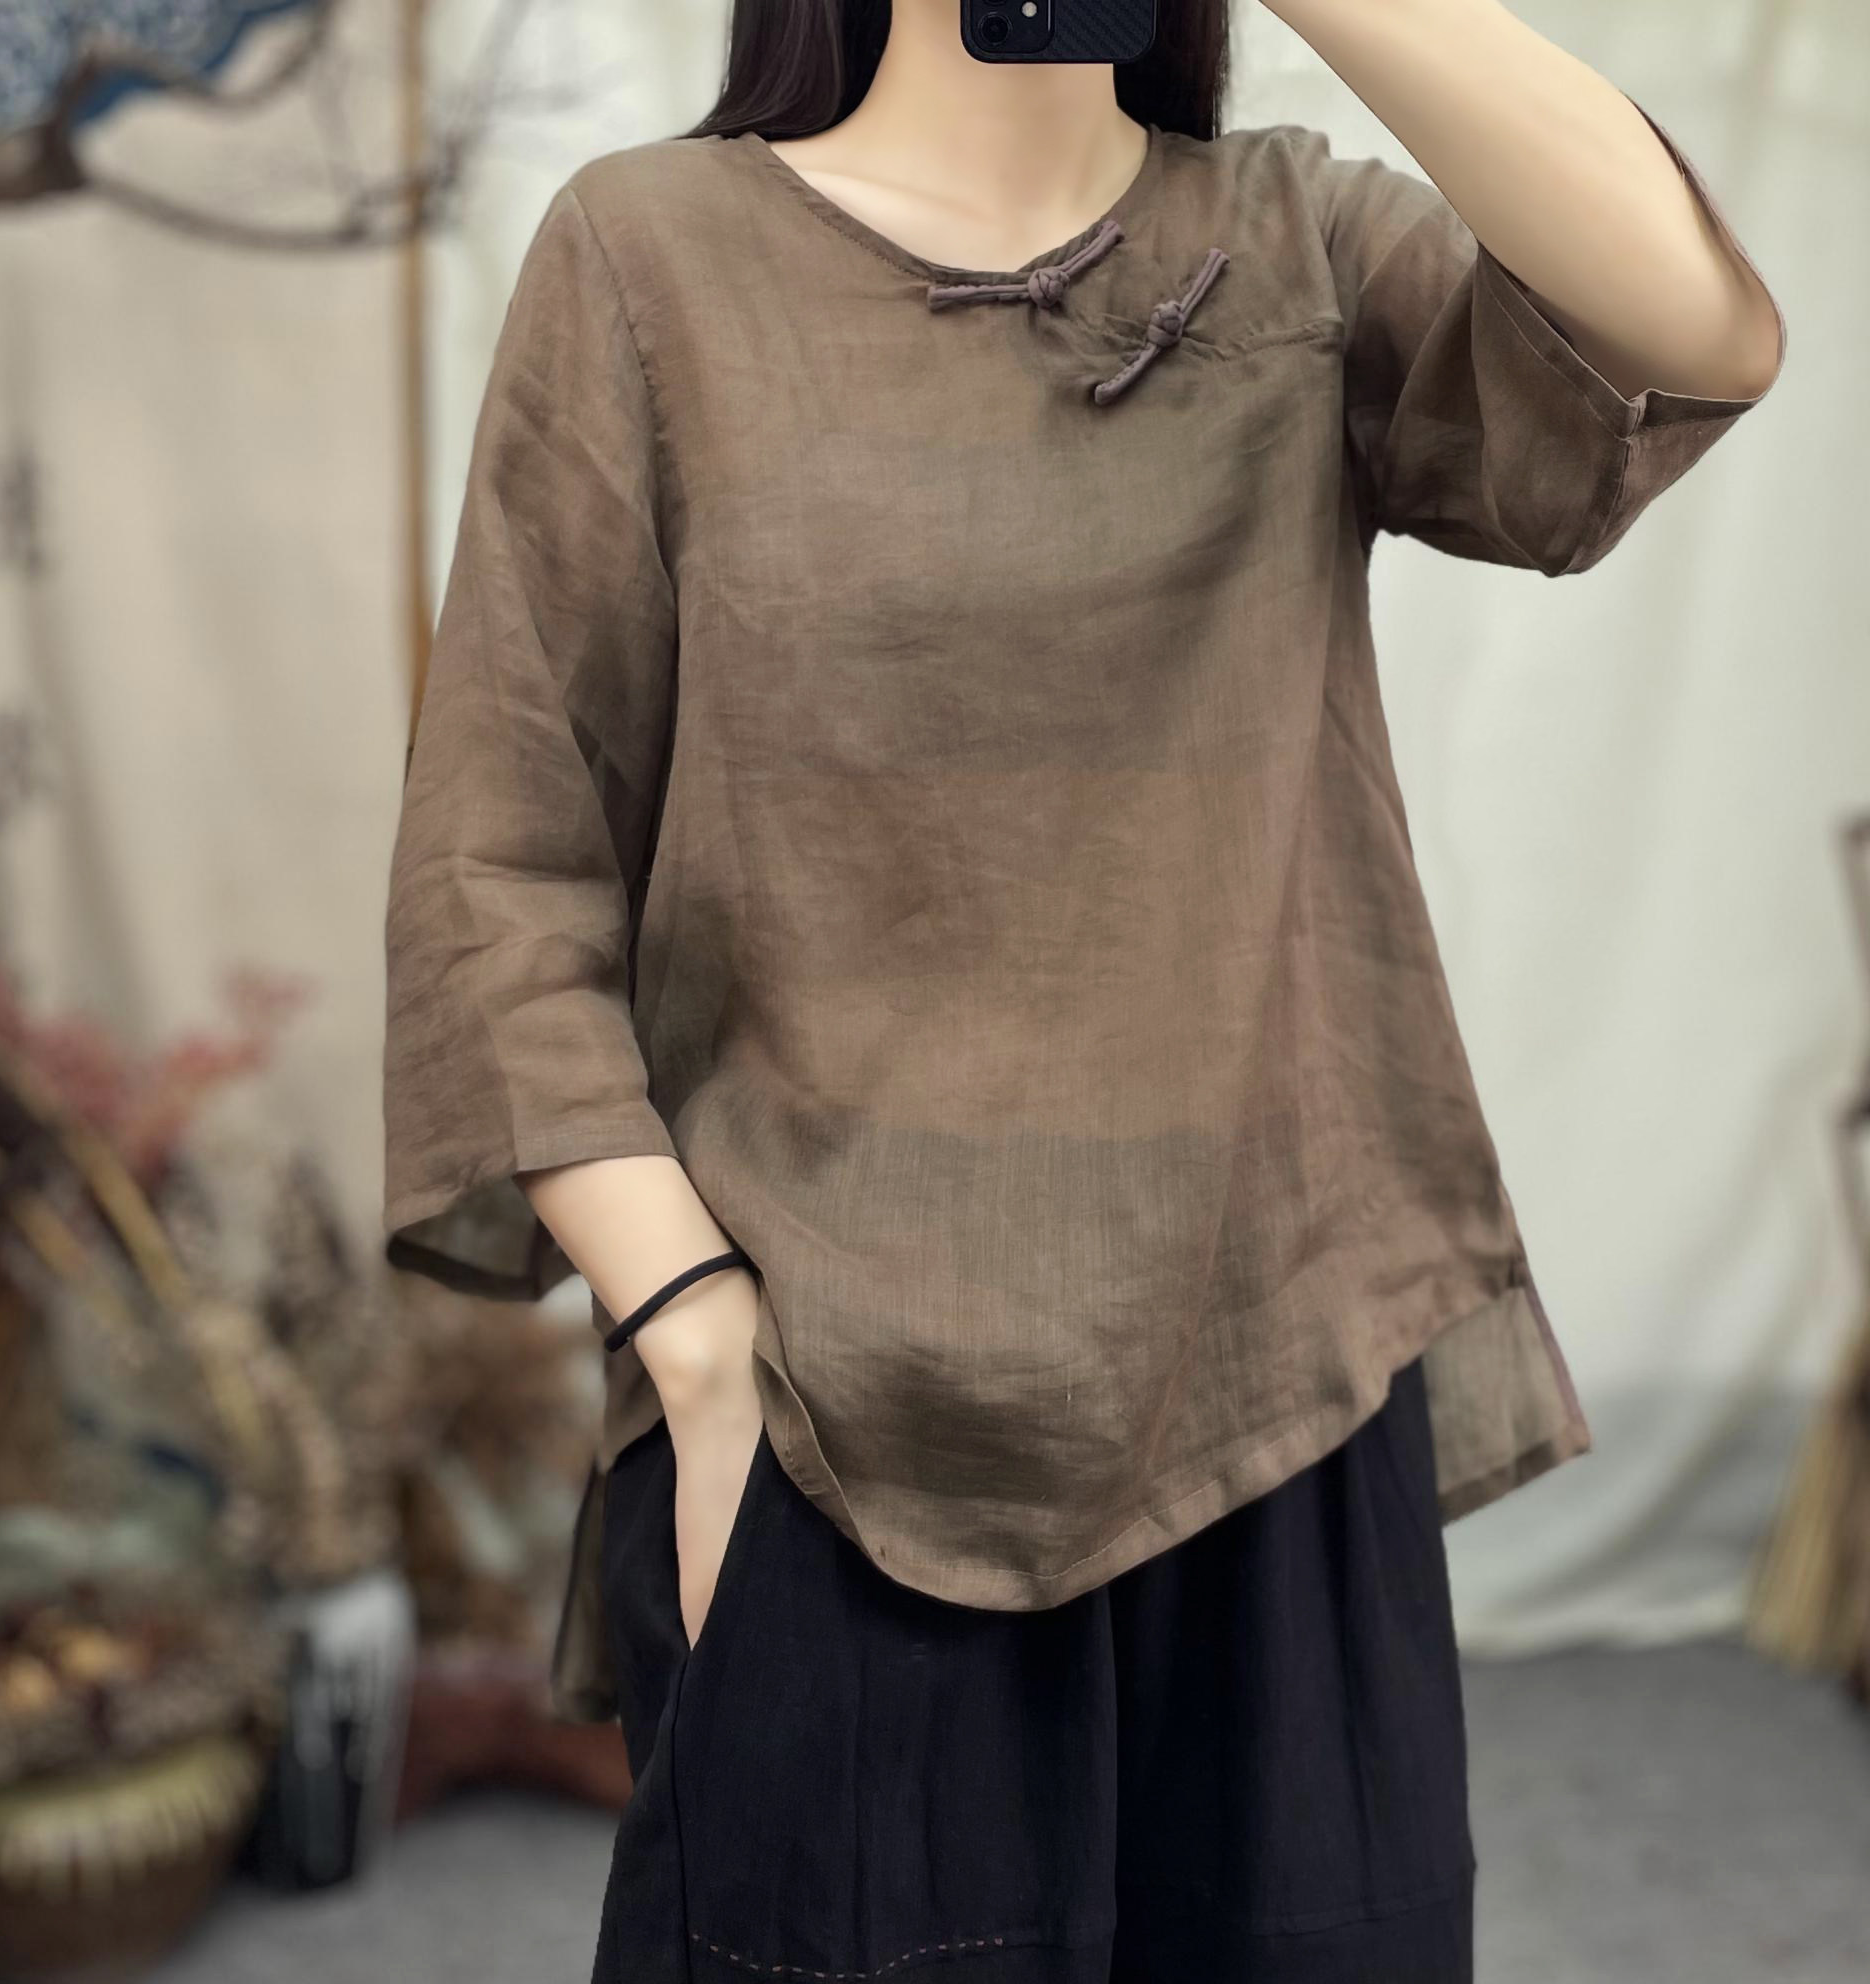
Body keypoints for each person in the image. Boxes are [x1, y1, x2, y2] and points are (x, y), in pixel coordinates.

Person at [380, 1, 1787, 1977]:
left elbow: (1690, 336)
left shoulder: (1292, 240)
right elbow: (504, 862)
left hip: (1278, 1379)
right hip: (821, 1413)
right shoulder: (651, 254)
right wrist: (691, 1339)